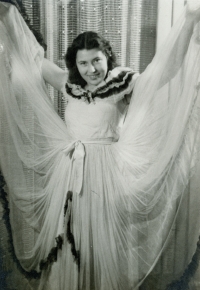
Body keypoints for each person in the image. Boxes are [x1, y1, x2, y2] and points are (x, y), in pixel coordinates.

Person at [1, 1, 200, 290]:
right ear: (75, 64)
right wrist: (9, 17)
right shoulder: (68, 84)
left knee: (99, 239)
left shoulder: (123, 82)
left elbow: (165, 70)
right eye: (83, 62)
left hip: (105, 172)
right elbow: (33, 57)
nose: (91, 69)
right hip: (70, 170)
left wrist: (189, 21)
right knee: (70, 236)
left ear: (107, 57)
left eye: (97, 60)